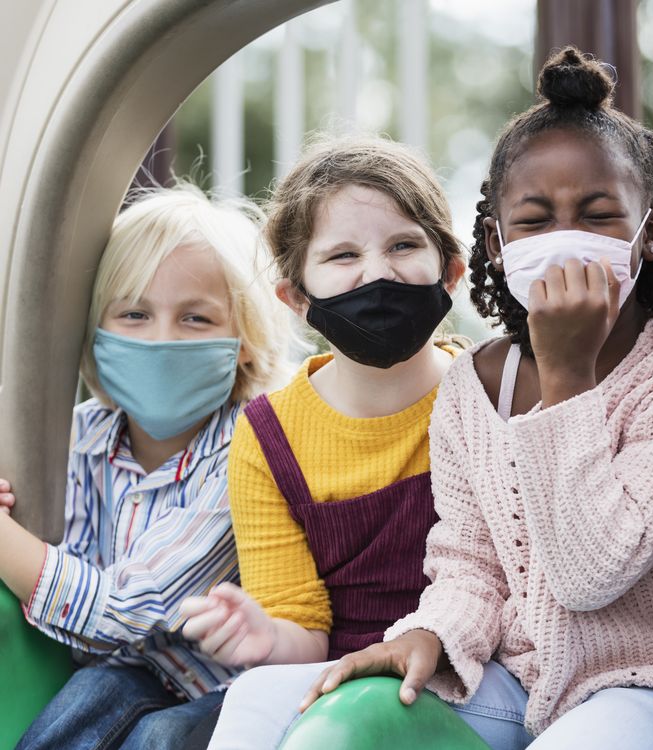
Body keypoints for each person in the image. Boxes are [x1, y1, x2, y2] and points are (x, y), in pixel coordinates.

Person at [239, 47, 653, 750]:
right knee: (278, 703)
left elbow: (591, 573)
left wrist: (567, 375)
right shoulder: (475, 385)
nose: (566, 240)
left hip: (646, 686)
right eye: (536, 220)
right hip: (511, 681)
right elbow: (468, 565)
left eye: (598, 215)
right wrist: (430, 633)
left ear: (652, 233)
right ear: (496, 240)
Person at [178, 136, 468, 747]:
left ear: (452, 269)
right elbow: (303, 630)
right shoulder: (267, 437)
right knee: (254, 696)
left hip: (469, 673)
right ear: (296, 298)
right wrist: (265, 634)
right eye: (342, 255)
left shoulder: (491, 392)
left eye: (404, 245)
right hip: (332, 683)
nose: (379, 273)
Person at [0, 184, 292, 750]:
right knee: (88, 695)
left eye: (196, 319)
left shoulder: (248, 448)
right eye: (134, 314)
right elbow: (78, 617)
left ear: (246, 342)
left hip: (224, 687)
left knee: (158, 735)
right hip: (122, 673)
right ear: (98, 335)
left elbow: (129, 608)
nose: (161, 340)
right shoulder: (83, 436)